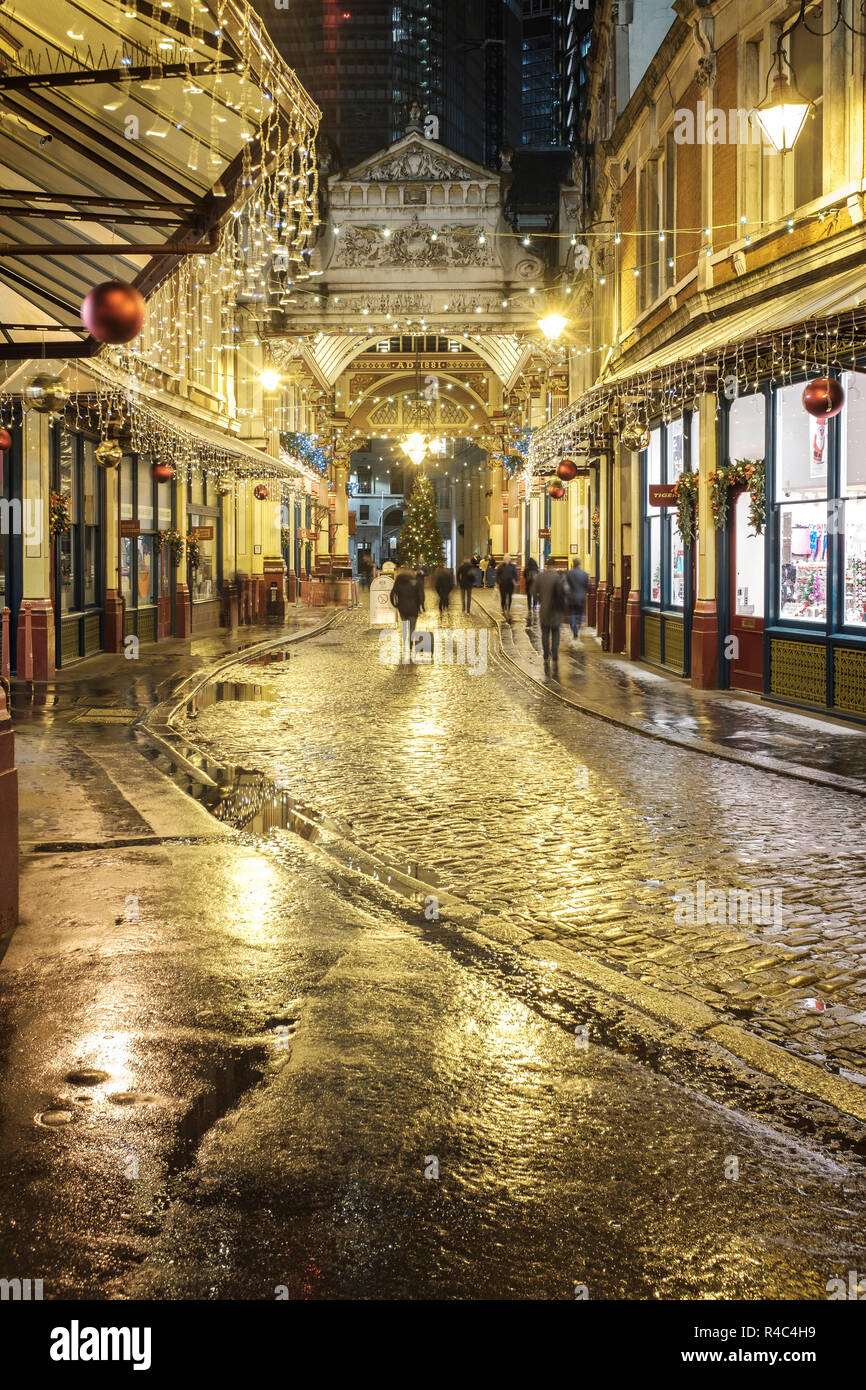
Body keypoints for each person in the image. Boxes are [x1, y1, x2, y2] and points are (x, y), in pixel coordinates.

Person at [535, 559, 569, 669]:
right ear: (554, 566)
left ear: (546, 565)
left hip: (544, 610)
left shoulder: (541, 577)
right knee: (555, 632)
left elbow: (533, 591)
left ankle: (546, 655)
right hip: (556, 610)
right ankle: (554, 654)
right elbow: (565, 593)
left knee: (545, 633)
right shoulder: (558, 577)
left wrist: (539, 600)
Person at [389, 562, 423, 663]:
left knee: (405, 627)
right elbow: (420, 594)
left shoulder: (399, 580)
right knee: (412, 628)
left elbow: (392, 594)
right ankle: (410, 646)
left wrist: (395, 604)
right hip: (413, 608)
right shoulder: (415, 580)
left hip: (402, 607)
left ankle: (405, 645)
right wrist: (421, 606)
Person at [564, 557, 590, 644]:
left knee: (572, 613)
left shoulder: (569, 573)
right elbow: (587, 586)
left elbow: (566, 585)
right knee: (580, 613)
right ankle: (578, 626)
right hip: (581, 596)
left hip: (571, 597)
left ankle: (574, 630)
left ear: (573, 563)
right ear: (579, 564)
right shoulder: (584, 574)